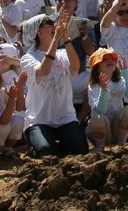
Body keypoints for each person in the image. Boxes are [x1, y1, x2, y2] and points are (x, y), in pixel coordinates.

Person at [20, 11, 87, 157]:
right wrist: (56, 39)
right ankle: (35, 145)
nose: (54, 25)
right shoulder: (27, 58)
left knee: (80, 149)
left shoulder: (62, 53)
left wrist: (66, 39)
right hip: (39, 119)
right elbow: (43, 70)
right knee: (45, 151)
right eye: (49, 23)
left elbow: (75, 67)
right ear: (38, 31)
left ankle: (60, 144)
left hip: (65, 118)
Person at [86, 49, 128, 151]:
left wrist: (126, 71)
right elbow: (101, 110)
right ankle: (100, 146)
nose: (110, 60)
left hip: (117, 128)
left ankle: (121, 144)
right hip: (100, 132)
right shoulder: (94, 86)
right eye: (104, 59)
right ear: (97, 68)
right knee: (97, 117)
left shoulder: (120, 81)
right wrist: (104, 90)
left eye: (112, 58)